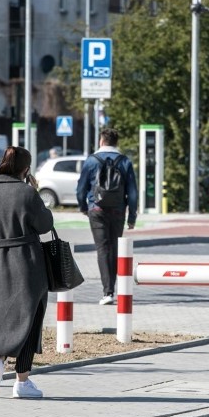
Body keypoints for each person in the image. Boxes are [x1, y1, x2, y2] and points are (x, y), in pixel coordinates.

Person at [0, 146, 54, 399]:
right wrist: (34, 191)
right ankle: (23, 382)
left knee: (1, 317)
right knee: (30, 319)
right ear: (26, 168)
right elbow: (45, 225)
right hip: (27, 262)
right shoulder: (27, 193)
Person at [76, 128, 138, 305]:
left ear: (101, 141)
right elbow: (132, 193)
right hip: (118, 211)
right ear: (116, 143)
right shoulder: (124, 161)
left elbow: (81, 189)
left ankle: (107, 292)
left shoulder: (91, 161)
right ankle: (114, 288)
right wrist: (132, 216)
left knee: (103, 249)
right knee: (115, 248)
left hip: (97, 210)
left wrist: (83, 207)